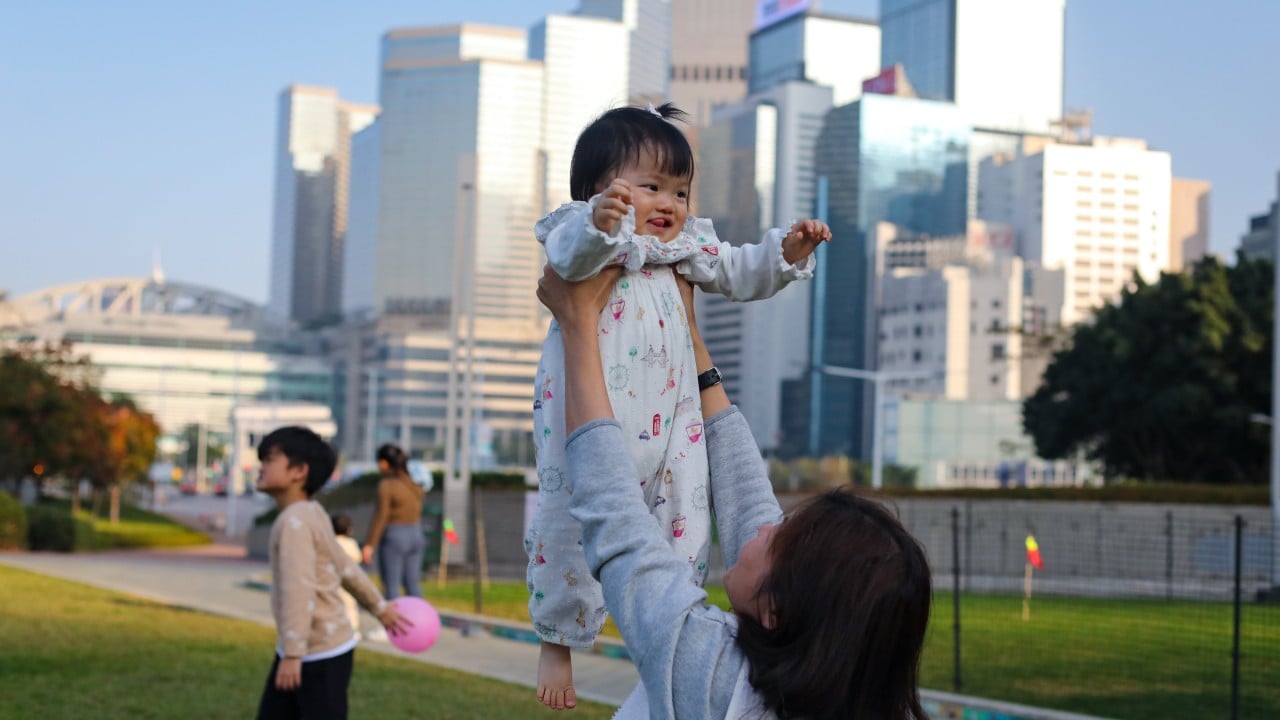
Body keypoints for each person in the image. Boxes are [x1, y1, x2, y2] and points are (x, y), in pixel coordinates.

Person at [527, 101, 831, 709]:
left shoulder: (684, 248)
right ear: (596, 192)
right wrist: (601, 225)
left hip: (676, 426)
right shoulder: (579, 233)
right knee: (568, 519)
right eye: (649, 187)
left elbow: (741, 270)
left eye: (681, 190)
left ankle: (667, 640)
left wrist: (786, 254)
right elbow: (567, 261)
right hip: (592, 419)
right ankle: (558, 638)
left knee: (685, 525)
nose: (669, 203)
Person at [536, 265, 933, 720]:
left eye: (777, 540)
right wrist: (690, 333)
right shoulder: (864, 698)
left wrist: (578, 325)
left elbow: (616, 516)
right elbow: (746, 492)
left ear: (777, 612)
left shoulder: (715, 680)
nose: (765, 527)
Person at [254, 426, 409, 720]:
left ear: (299, 471)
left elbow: (297, 589)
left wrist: (293, 654)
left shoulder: (293, 523)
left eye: (268, 460)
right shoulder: (313, 512)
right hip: (322, 648)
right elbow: (346, 568)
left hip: (314, 655)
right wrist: (379, 606)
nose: (260, 468)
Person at [362, 443, 426, 599]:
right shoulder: (414, 484)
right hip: (416, 534)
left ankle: (393, 624)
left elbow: (381, 516)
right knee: (413, 586)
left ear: (384, 463)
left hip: (395, 536)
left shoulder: (386, 485)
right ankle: (421, 621)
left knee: (391, 588)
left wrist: (370, 545)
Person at [330, 513, 363, 633]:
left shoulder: (330, 542)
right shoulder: (351, 543)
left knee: (334, 605)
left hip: (333, 581)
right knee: (350, 606)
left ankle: (335, 627)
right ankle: (353, 629)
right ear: (349, 529)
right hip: (348, 581)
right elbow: (358, 558)